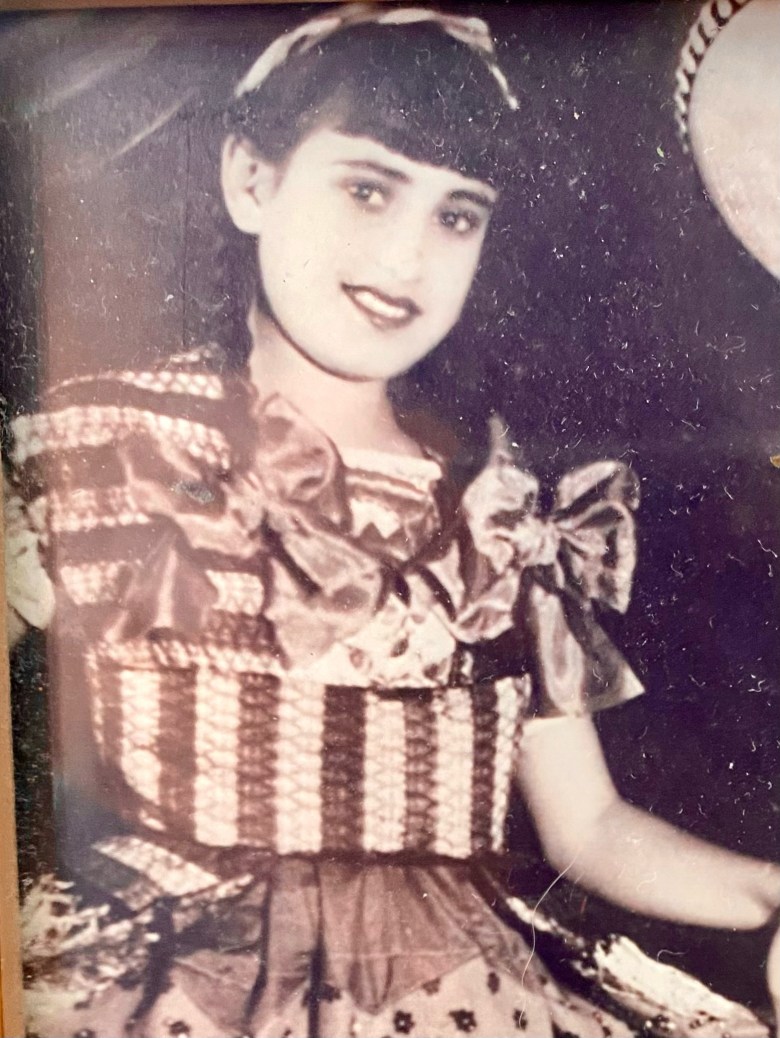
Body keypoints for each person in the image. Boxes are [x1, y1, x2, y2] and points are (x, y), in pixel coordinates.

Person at [7, 6, 780, 1037]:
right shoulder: (104, 441)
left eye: (457, 216)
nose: (408, 257)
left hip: (449, 987)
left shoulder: (503, 509)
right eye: (367, 190)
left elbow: (589, 827)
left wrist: (773, 894)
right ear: (251, 180)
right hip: (174, 985)